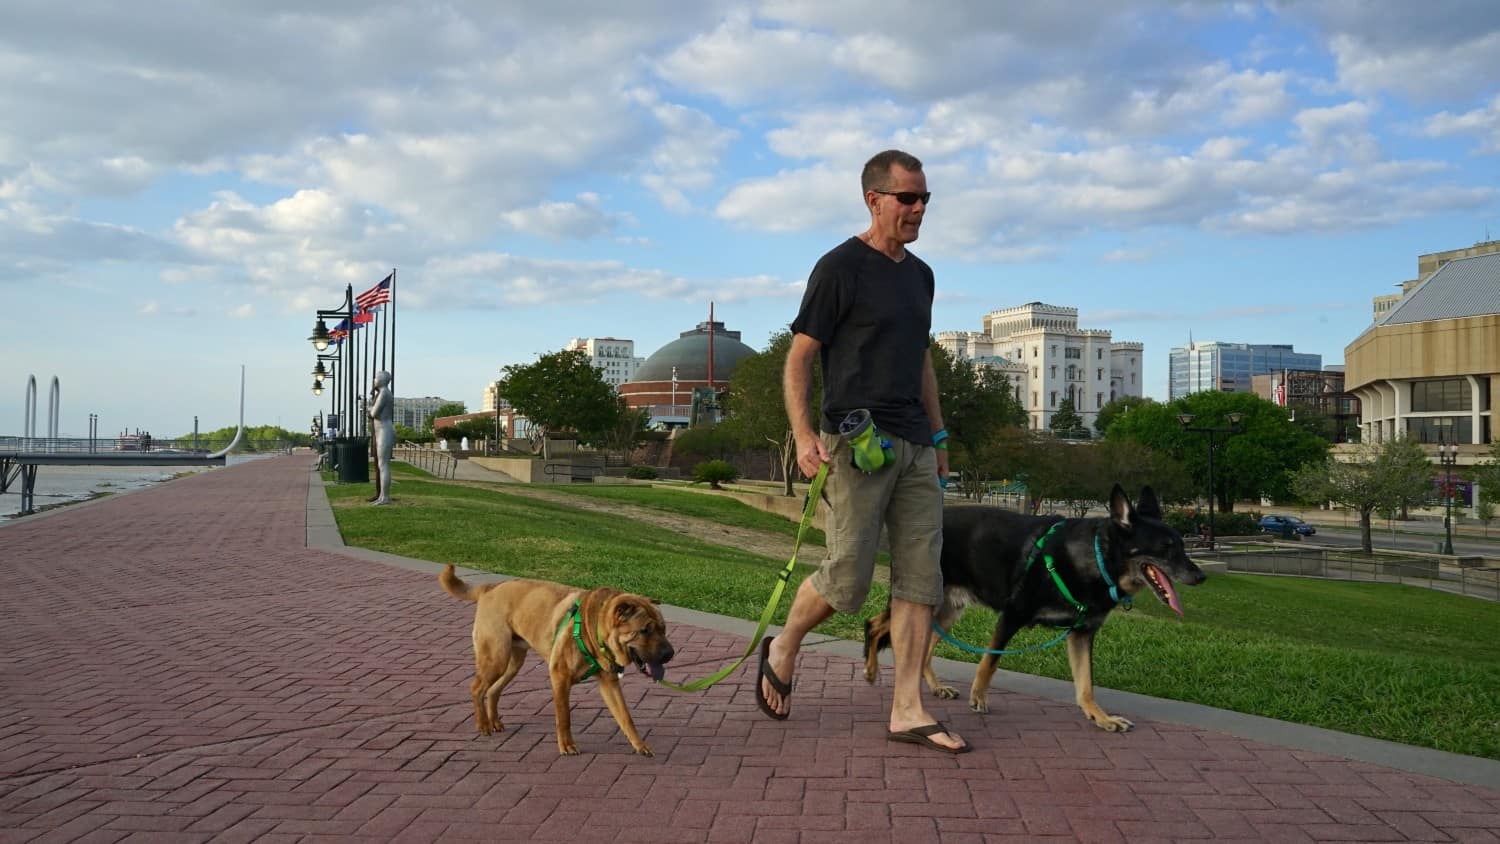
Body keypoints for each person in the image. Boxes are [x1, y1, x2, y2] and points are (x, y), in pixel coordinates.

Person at [759, 149, 968, 754]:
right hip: (855, 446)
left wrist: (940, 434)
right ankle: (784, 644)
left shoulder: (921, 276)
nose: (919, 208)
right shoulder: (840, 268)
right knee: (847, 580)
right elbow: (800, 357)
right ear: (874, 199)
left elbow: (922, 359)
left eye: (925, 197)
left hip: (915, 447)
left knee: (920, 579)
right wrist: (803, 436)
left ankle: (907, 708)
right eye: (908, 198)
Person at [368, 371, 395, 505]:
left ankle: (385, 497)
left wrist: (368, 408)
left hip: (384, 431)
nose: (374, 380)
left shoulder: (384, 393)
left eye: (376, 378)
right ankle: (382, 496)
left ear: (382, 380)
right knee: (382, 464)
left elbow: (374, 413)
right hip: (382, 431)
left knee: (383, 465)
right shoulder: (385, 392)